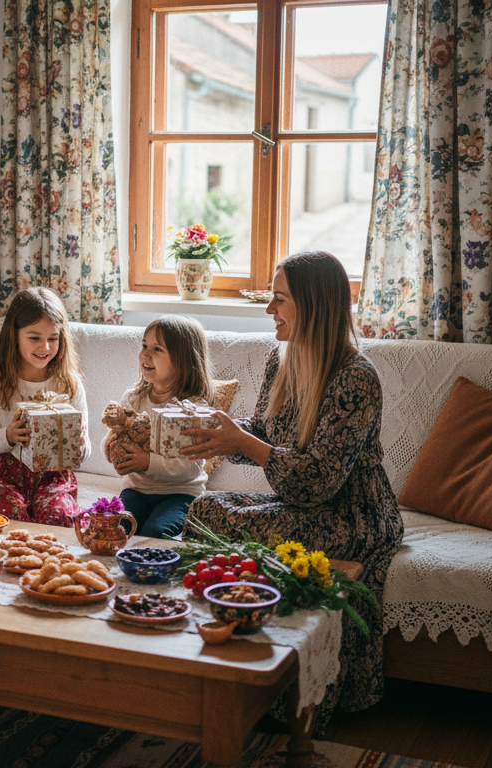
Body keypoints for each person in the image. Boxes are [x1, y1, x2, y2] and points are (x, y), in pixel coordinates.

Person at [179, 250, 404, 725]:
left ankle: (291, 694)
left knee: (257, 533)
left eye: (279, 299)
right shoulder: (280, 361)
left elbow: (316, 483)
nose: (269, 310)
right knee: (203, 511)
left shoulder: (356, 377)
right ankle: (223, 658)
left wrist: (245, 443)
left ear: (313, 304)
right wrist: (221, 434)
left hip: (354, 513)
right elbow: (265, 434)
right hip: (302, 501)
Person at [0, 287, 89, 525]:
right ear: (14, 335)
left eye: (53, 338)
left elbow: (84, 453)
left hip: (53, 476)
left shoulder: (69, 382)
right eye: (34, 338)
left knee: (59, 517)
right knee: (7, 519)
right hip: (2, 473)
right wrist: (8, 436)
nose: (45, 347)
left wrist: (78, 445)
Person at [104, 315, 214, 539]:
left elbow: (190, 468)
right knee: (114, 529)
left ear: (183, 359)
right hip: (136, 490)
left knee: (155, 532)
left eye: (157, 349)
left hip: (181, 493)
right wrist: (109, 448)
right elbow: (111, 439)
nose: (145, 354)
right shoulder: (133, 399)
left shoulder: (192, 410)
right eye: (144, 345)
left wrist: (147, 462)